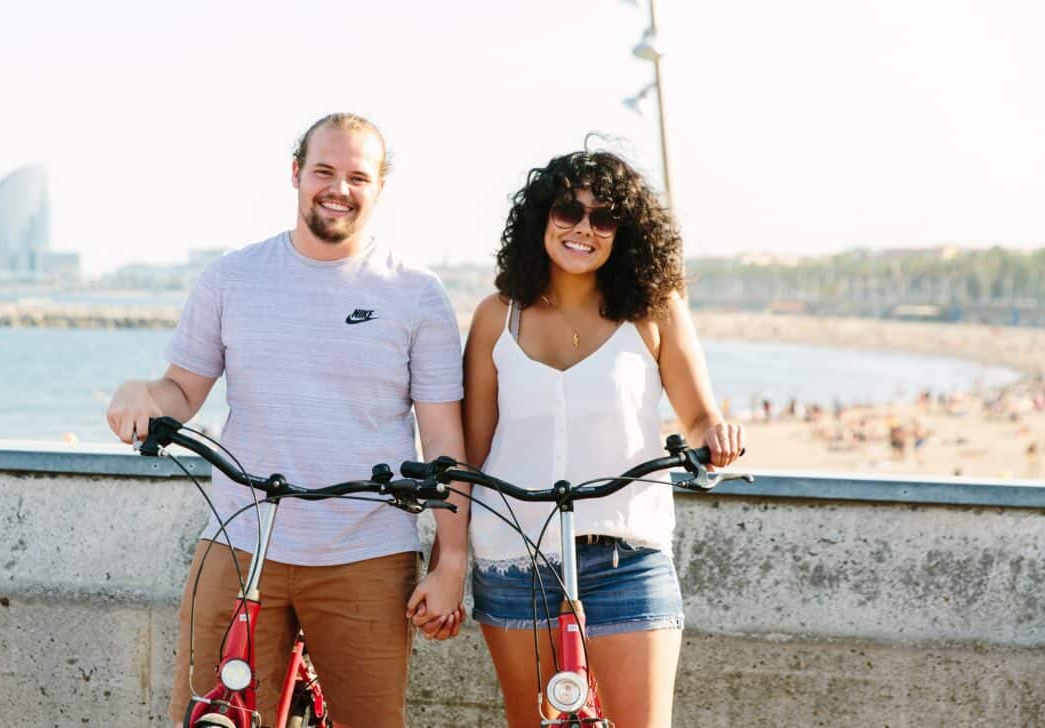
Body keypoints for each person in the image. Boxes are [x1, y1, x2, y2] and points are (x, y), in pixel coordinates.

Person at [105, 113, 468, 728]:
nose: (339, 188)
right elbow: (180, 391)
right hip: (239, 541)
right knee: (211, 719)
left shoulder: (416, 292)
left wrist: (451, 561)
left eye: (358, 176)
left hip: (367, 551)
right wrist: (136, 390)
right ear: (296, 173)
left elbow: (442, 440)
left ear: (379, 188)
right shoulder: (232, 277)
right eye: (324, 170)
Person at [459, 149, 744, 727]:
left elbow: (698, 417)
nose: (584, 228)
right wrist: (448, 560)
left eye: (604, 217)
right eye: (568, 210)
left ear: (625, 233)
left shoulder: (655, 312)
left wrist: (716, 434)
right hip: (514, 561)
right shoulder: (497, 316)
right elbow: (470, 452)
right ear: (542, 217)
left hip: (627, 558)